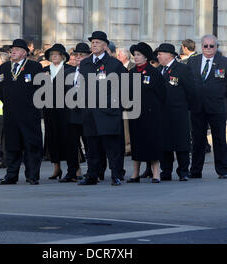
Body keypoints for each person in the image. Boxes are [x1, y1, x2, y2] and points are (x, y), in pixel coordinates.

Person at [78, 31, 127, 186]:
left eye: (97, 42)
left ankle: (116, 175)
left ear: (105, 45)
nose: (94, 44)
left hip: (108, 111)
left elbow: (125, 86)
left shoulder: (114, 64)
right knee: (91, 147)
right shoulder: (85, 64)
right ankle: (92, 175)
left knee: (112, 147)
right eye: (92, 42)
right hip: (90, 111)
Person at [187, 34, 227, 179]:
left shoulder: (224, 62)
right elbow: (189, 82)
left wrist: (220, 95)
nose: (208, 49)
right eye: (205, 46)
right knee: (197, 139)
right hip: (197, 107)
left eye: (211, 46)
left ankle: (222, 170)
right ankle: (195, 170)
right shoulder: (193, 61)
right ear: (201, 47)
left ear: (216, 47)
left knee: (219, 139)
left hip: (216, 107)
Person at [0, 39, 43, 185]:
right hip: (11, 114)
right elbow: (1, 90)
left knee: (31, 145)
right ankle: (11, 175)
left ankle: (32, 175)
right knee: (12, 145)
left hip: (29, 114)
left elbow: (41, 90)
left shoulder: (34, 66)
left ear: (24, 52)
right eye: (12, 49)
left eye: (17, 49)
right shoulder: (4, 67)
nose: (13, 52)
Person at [126, 42, 166, 183]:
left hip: (152, 115)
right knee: (136, 143)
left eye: (138, 55)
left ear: (146, 57)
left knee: (152, 142)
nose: (135, 57)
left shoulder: (154, 73)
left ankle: (156, 173)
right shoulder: (131, 73)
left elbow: (162, 94)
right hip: (135, 114)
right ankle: (135, 173)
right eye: (134, 55)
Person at [157, 43, 196, 182]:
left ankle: (183, 171)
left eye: (160, 54)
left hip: (179, 113)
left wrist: (185, 107)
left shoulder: (182, 69)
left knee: (181, 143)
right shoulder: (159, 70)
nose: (158, 56)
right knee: (164, 143)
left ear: (169, 55)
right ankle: (166, 171)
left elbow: (191, 91)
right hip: (163, 114)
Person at [60, 42, 91, 182]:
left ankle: (93, 171)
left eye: (82, 55)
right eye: (76, 55)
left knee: (90, 144)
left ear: (88, 56)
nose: (78, 57)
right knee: (70, 144)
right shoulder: (67, 72)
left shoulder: (92, 72)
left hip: (86, 113)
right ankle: (72, 171)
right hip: (70, 113)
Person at [42, 43, 71, 180]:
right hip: (49, 110)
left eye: (57, 54)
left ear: (63, 56)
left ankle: (74, 169)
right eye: (51, 54)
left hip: (66, 109)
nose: (54, 56)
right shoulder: (44, 70)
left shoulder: (70, 70)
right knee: (52, 137)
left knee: (69, 138)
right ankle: (56, 168)